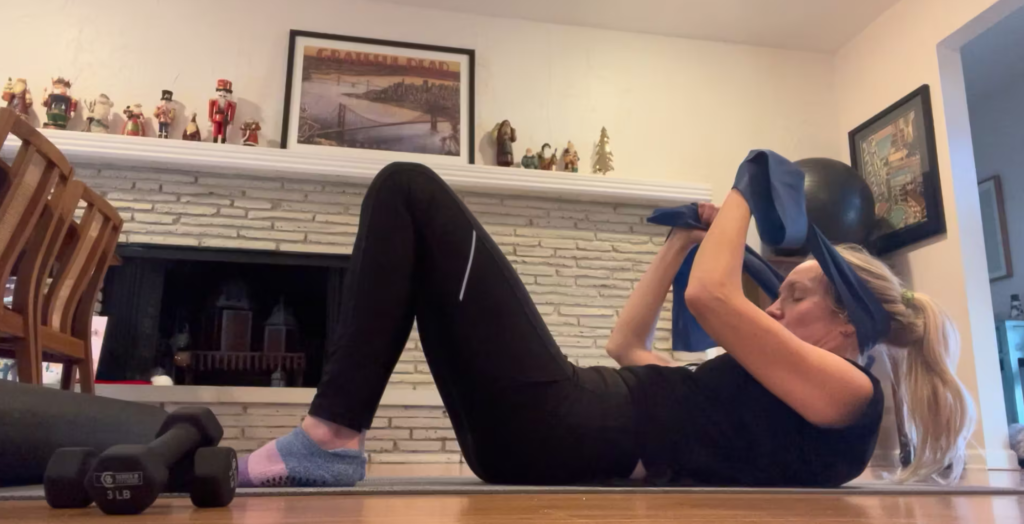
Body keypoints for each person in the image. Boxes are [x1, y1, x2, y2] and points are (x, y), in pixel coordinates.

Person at [238, 162, 974, 488]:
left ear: (851, 326)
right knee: (413, 208)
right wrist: (680, 246)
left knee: (408, 189)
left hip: (560, 422)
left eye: (795, 297)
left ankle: (331, 439)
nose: (773, 308)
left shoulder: (848, 395)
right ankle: (329, 440)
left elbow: (713, 301)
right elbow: (625, 346)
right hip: (552, 424)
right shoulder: (769, 402)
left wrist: (748, 184)